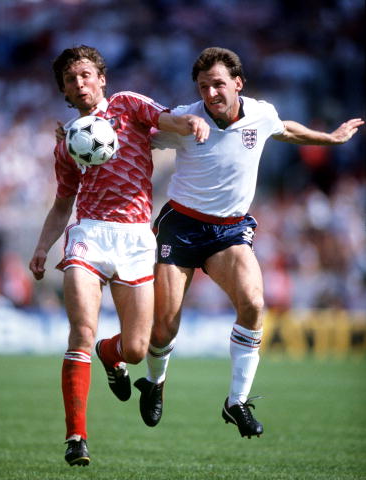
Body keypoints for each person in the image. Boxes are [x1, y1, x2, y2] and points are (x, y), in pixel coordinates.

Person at [133, 46, 364, 439]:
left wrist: (329, 138)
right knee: (163, 329)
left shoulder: (260, 113)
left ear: (238, 83)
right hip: (182, 227)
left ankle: (236, 401)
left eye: (218, 84)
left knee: (254, 304)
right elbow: (143, 134)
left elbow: (285, 128)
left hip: (230, 230)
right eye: (203, 86)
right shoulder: (186, 120)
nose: (210, 93)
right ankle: (156, 383)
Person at [29, 45, 209, 467]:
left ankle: (111, 357)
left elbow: (165, 119)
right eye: (71, 80)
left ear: (101, 79)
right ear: (65, 94)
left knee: (135, 348)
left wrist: (190, 121)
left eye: (86, 74)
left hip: (134, 240)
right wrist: (42, 247)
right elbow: (61, 204)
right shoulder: (67, 146)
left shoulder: (129, 106)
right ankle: (76, 436)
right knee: (81, 333)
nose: (80, 83)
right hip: (89, 235)